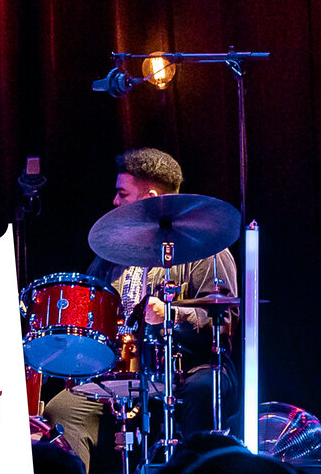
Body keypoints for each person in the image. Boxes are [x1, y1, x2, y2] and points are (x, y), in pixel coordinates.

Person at [41, 148, 240, 472]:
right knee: (63, 407)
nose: (115, 202)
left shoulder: (206, 249)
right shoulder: (110, 253)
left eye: (123, 193)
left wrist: (171, 315)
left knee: (204, 389)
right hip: (120, 369)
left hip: (189, 367)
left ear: (150, 198)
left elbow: (225, 321)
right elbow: (92, 311)